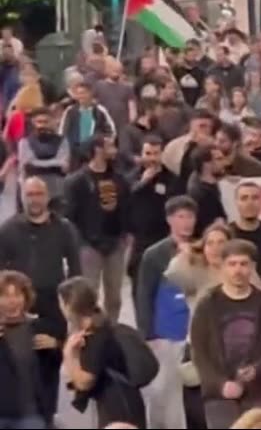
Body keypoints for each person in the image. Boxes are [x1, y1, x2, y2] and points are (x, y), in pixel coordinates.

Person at [0, 177, 81, 423]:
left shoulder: (64, 228)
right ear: (22, 197)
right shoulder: (9, 229)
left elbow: (75, 268)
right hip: (16, 301)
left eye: (39, 194)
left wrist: (74, 306)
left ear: (47, 197)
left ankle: (47, 413)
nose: (34, 199)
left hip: (52, 304)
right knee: (15, 358)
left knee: (50, 356)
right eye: (29, 194)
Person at [188, 239, 261, 429]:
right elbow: (199, 352)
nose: (238, 270)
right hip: (219, 395)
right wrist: (220, 384)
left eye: (243, 264)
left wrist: (257, 369)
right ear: (222, 267)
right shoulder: (208, 305)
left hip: (258, 393)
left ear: (253, 267)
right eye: (232, 264)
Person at [134, 196, 199, 430]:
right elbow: (144, 294)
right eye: (180, 216)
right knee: (161, 391)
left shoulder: (202, 250)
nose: (186, 222)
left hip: (192, 332)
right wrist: (148, 334)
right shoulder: (154, 254)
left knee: (188, 393)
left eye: (190, 216)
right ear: (169, 219)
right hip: (164, 333)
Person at [57, 277, 146, 428]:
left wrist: (69, 355)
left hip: (118, 409)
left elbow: (84, 382)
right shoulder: (103, 325)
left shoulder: (97, 336)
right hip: (126, 402)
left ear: (68, 305)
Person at [64, 133, 131, 322]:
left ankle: (111, 330)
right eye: (110, 146)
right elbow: (70, 214)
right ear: (97, 149)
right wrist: (79, 241)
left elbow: (126, 205)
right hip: (88, 244)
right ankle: (86, 330)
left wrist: (125, 233)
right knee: (87, 294)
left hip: (115, 241)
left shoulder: (119, 179)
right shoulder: (77, 181)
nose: (114, 150)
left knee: (115, 297)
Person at [128, 136, 182, 283]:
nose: (152, 158)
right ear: (141, 154)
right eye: (148, 153)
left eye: (156, 153)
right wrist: (143, 182)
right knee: (139, 280)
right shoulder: (131, 177)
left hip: (164, 236)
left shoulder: (172, 179)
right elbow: (126, 199)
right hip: (140, 239)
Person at [0, 270, 44, 429]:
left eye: (17, 295)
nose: (12, 301)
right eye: (5, 296)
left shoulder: (37, 328)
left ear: (26, 298)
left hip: (29, 414)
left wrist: (57, 345)